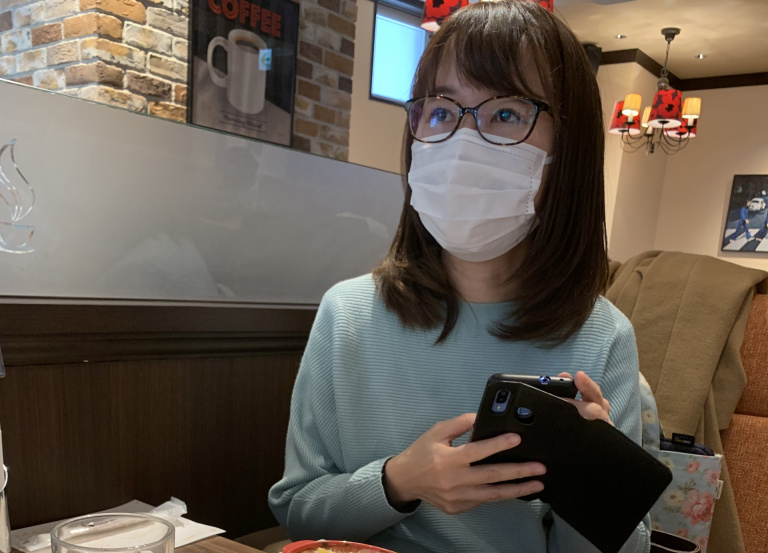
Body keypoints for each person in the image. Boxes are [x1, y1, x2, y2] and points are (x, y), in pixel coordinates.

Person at [269, 1, 649, 551]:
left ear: (571, 150)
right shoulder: (347, 314)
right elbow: (298, 513)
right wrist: (400, 481)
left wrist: (588, 474)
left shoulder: (603, 337)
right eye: (441, 112)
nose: (462, 141)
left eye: (507, 113)